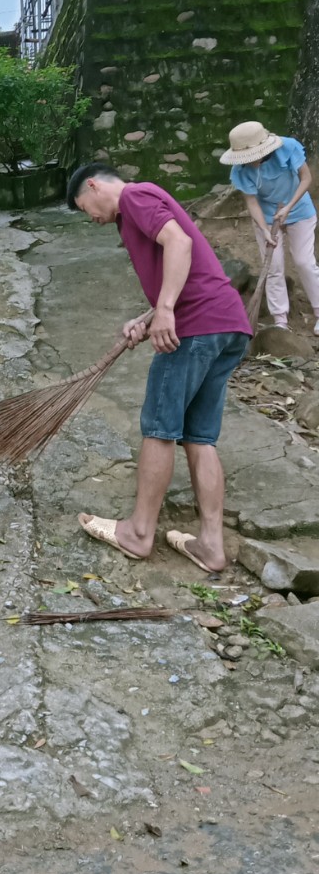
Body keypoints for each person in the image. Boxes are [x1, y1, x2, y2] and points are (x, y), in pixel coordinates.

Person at [67, 162, 252, 573]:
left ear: (94, 186)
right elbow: (187, 271)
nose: (91, 218)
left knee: (159, 428)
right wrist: (148, 316)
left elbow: (179, 244)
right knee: (199, 437)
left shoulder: (134, 196)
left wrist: (166, 311)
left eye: (85, 208)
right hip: (227, 324)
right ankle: (210, 545)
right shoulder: (137, 208)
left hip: (196, 327)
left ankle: (138, 532)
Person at [219, 120, 319, 334]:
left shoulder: (288, 148)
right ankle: (280, 320)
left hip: (299, 209)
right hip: (266, 218)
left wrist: (289, 207)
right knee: (273, 267)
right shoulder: (240, 171)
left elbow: (306, 178)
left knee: (304, 261)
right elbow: (252, 201)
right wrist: (264, 229)